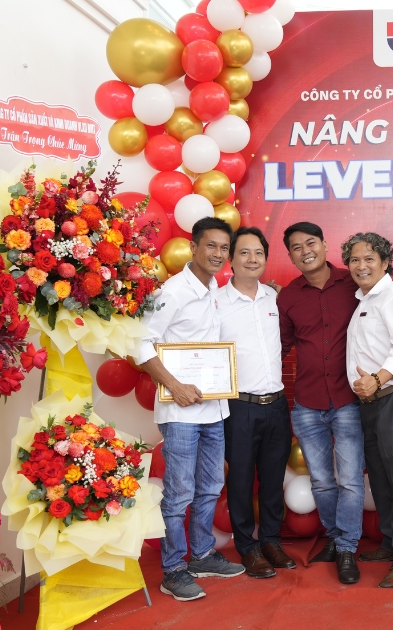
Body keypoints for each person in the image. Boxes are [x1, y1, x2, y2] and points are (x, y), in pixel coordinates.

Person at [137, 217, 245, 602]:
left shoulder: (214, 287)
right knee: (180, 492)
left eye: (223, 248)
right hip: (181, 413)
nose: (218, 254)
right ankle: (173, 569)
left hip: (214, 409)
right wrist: (175, 386)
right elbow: (140, 344)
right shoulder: (172, 291)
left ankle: (201, 555)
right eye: (210, 245)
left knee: (211, 486)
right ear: (194, 247)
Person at [277, 222, 364, 584]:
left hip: (348, 399)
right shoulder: (288, 297)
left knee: (351, 481)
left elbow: (387, 303)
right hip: (308, 402)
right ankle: (335, 537)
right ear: (291, 256)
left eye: (310, 243)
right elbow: (280, 346)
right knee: (322, 482)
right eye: (296, 247)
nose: (305, 251)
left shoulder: (354, 281)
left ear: (325, 245)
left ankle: (347, 548)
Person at [342, 232, 393, 589]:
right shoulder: (364, 299)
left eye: (369, 258)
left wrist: (376, 379)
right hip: (370, 402)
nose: (361, 265)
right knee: (380, 476)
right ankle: (391, 541)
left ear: (385, 262)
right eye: (355, 260)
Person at [216, 227, 295, 579]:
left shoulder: (276, 299)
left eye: (258, 253)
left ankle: (272, 541)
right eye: (244, 252)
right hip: (239, 406)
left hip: (276, 403)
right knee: (241, 480)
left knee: (273, 478)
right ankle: (248, 547)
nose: (252, 259)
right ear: (231, 259)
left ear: (266, 258)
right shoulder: (215, 303)